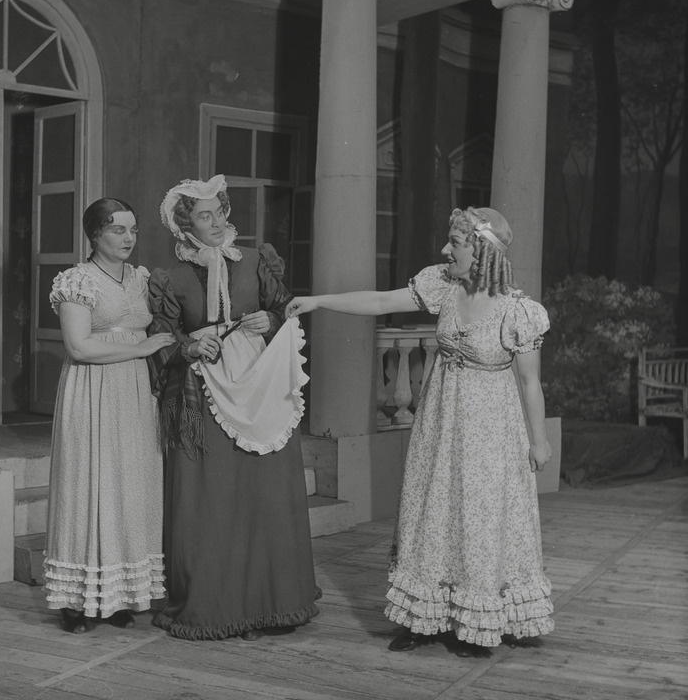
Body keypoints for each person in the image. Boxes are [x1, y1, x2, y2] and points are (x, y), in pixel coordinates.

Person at [286, 207, 554, 656]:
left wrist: (539, 439)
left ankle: (476, 618)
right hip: (440, 420)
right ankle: (425, 618)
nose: (445, 249)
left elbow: (529, 381)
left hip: (490, 427)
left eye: (456, 242)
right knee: (430, 509)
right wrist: (319, 301)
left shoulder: (519, 311)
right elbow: (378, 301)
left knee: (481, 516)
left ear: (482, 250)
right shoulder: (442, 286)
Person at [147, 174, 320, 641]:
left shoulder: (255, 261)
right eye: (205, 216)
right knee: (214, 495)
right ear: (186, 226)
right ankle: (216, 605)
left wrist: (273, 318)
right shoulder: (171, 278)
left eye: (220, 211)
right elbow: (161, 339)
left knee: (263, 492)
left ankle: (273, 603)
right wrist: (187, 347)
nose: (218, 221)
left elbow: (286, 308)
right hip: (204, 393)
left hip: (260, 385)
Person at [43, 198, 174, 634]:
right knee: (88, 484)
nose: (128, 238)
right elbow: (79, 346)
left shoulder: (141, 278)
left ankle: (119, 595)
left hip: (136, 390)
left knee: (130, 487)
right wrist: (139, 348)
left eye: (133, 230)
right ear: (94, 234)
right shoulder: (77, 280)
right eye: (117, 230)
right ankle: (77, 601)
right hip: (92, 389)